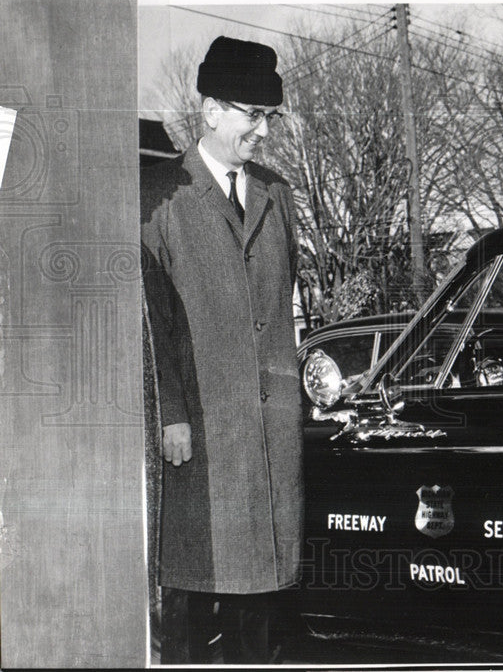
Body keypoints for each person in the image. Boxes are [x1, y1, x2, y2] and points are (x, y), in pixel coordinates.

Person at [141, 36, 302, 664]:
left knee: (260, 591)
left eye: (271, 117)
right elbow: (153, 321)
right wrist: (171, 414)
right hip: (198, 430)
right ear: (211, 111)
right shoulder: (158, 197)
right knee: (189, 584)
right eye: (252, 114)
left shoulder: (277, 192)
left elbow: (279, 301)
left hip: (268, 431)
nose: (262, 131)